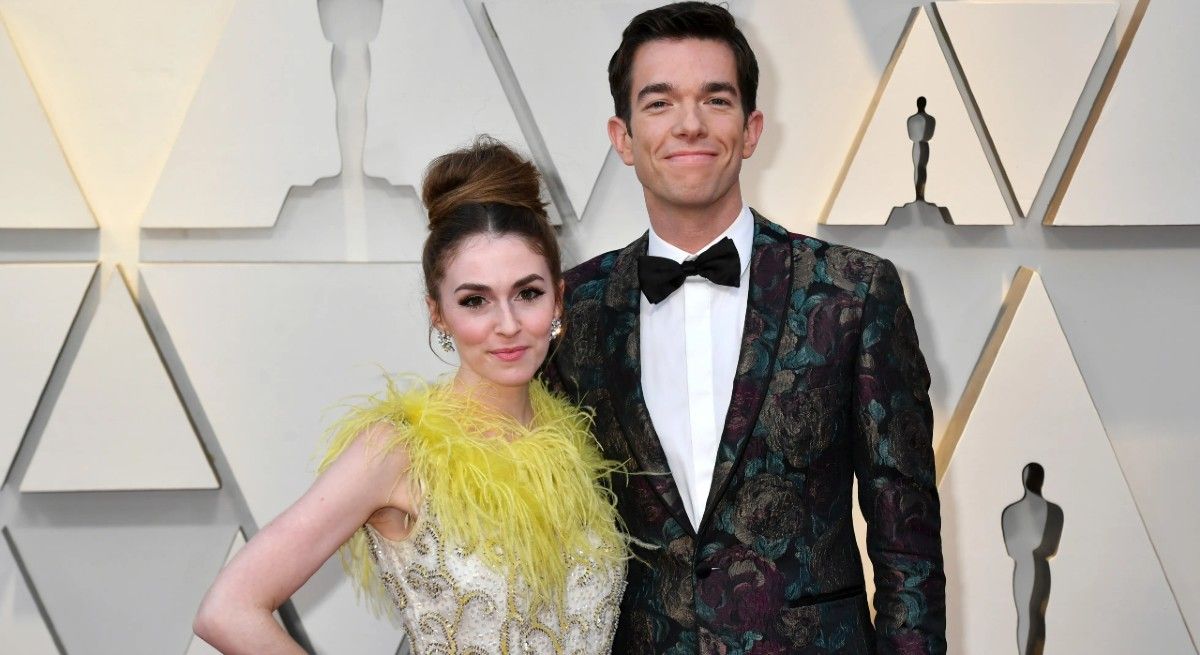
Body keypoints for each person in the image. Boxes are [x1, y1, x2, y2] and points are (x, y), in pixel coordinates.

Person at [545, 2, 946, 653]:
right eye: (659, 103)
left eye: (716, 99)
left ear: (752, 128)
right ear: (622, 138)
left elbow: (910, 553)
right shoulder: (574, 307)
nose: (690, 123)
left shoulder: (854, 291)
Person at [192, 138, 628, 654]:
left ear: (558, 299)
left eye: (527, 293)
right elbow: (228, 609)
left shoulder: (576, 443)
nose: (508, 324)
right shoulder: (398, 450)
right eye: (475, 301)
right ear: (437, 313)